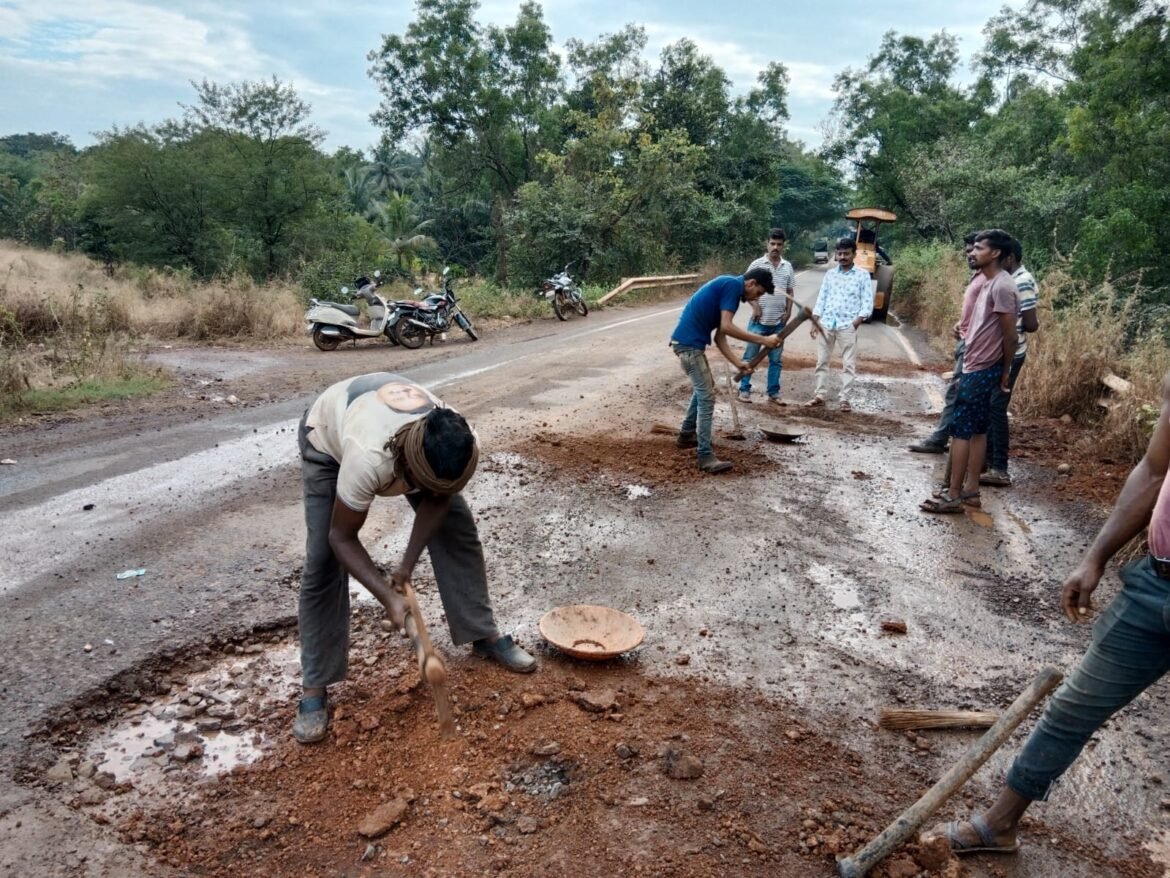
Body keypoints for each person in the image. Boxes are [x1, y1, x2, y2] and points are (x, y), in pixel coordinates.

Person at [926, 372, 1170, 855]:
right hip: (1156, 584)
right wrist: (1095, 557)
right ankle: (999, 825)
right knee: (1071, 709)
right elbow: (1155, 470)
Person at [294, 372, 536, 744]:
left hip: (392, 429)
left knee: (457, 525)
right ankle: (315, 686)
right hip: (327, 433)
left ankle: (481, 632)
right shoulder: (368, 456)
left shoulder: (459, 441)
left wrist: (406, 566)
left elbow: (439, 498)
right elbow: (342, 537)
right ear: (410, 467)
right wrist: (389, 597)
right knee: (323, 559)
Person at [920, 229, 1018, 513]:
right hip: (978, 364)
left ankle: (952, 495)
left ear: (995, 253)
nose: (972, 253)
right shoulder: (988, 282)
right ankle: (971, 491)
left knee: (961, 431)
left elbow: (1010, 336)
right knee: (976, 430)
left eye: (978, 248)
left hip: (983, 367)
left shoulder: (1001, 286)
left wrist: (1004, 372)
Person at [670, 268, 782, 474]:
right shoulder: (731, 285)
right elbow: (728, 327)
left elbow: (721, 336)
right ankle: (705, 455)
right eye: (758, 293)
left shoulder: (730, 288)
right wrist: (764, 339)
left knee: (704, 389)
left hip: (688, 345)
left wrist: (738, 363)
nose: (755, 299)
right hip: (688, 346)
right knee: (706, 397)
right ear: (751, 283)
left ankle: (686, 435)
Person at [908, 233, 980, 454]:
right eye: (968, 251)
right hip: (967, 341)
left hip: (975, 348)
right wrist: (962, 324)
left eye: (975, 250)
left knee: (958, 394)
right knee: (960, 395)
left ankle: (944, 440)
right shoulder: (977, 277)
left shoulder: (992, 281)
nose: (971, 255)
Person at [981, 239, 1040, 487]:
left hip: (1011, 353)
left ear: (1010, 258)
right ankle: (987, 462)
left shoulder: (1022, 281)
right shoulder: (1007, 279)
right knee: (991, 406)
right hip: (1001, 352)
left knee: (996, 406)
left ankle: (999, 467)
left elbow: (1031, 323)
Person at [808, 237, 873, 412]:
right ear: (836, 254)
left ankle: (845, 398)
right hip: (827, 323)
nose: (842, 257)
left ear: (854, 254)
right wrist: (815, 320)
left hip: (848, 325)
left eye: (846, 253)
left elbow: (867, 303)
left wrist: (856, 322)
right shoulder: (830, 274)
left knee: (848, 364)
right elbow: (822, 298)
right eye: (840, 253)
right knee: (822, 361)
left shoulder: (862, 275)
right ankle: (819, 395)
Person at [738, 228, 796, 406]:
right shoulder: (756, 265)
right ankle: (744, 390)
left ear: (783, 246)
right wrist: (755, 306)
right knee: (751, 357)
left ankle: (773, 392)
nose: (775, 247)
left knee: (776, 360)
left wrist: (788, 312)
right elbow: (743, 287)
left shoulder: (788, 267)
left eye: (779, 244)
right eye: (772, 244)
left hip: (778, 323)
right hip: (758, 323)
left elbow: (790, 291)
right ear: (767, 243)